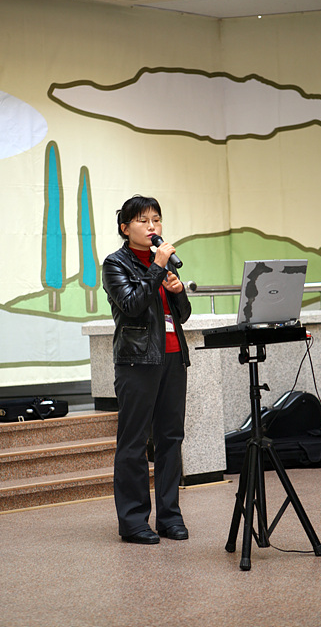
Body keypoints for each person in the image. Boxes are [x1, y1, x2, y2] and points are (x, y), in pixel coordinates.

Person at [102, 194, 191, 545]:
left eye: (156, 219)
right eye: (143, 220)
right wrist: (157, 267)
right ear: (125, 228)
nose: (152, 226)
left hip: (173, 357)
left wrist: (178, 291)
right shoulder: (115, 264)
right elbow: (132, 305)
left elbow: (181, 315)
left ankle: (170, 517)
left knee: (170, 439)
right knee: (134, 442)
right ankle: (133, 521)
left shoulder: (164, 264)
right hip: (137, 361)